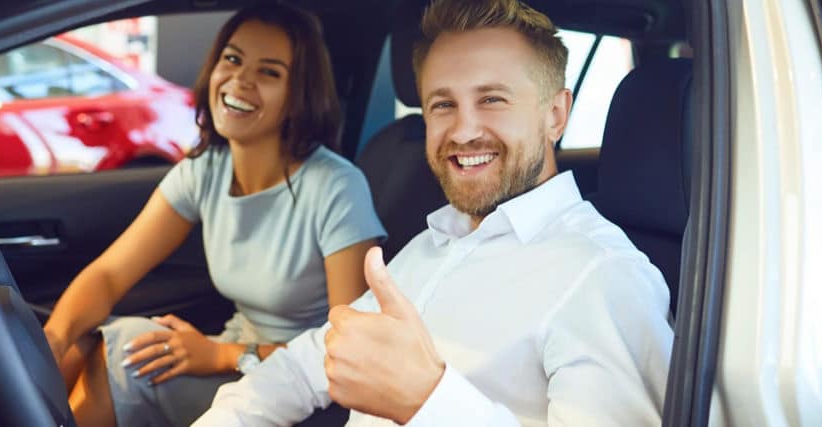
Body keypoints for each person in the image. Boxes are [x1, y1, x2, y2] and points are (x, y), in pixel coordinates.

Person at [193, 0, 674, 425]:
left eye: (491, 99)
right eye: (442, 104)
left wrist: (428, 400)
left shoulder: (605, 277)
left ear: (555, 115)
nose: (463, 131)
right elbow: (307, 365)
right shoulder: (433, 244)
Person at [42, 3, 387, 426]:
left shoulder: (336, 187)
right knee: (88, 340)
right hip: (231, 356)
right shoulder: (204, 170)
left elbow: (347, 348)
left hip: (297, 387)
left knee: (122, 358)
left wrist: (223, 355)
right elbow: (109, 275)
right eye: (233, 59)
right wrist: (53, 341)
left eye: (269, 72)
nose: (240, 80)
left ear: (299, 96)